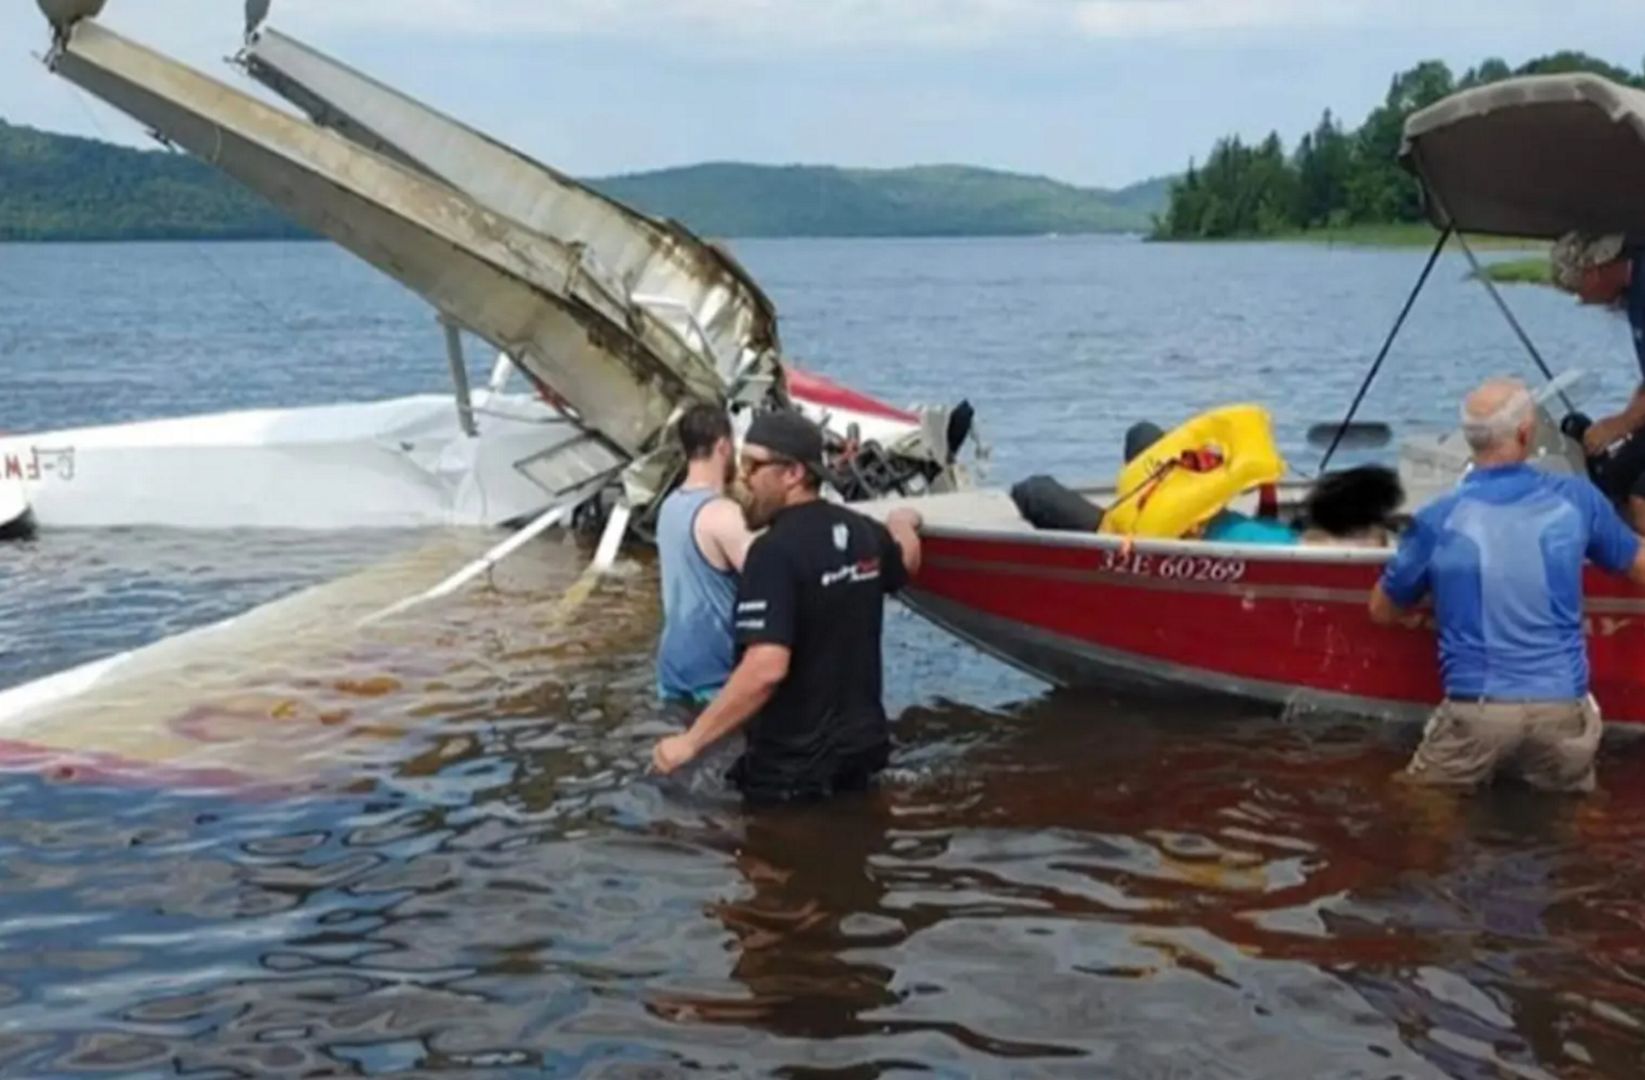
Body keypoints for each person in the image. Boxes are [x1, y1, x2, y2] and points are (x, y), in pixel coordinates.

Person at [1369, 377, 1645, 793]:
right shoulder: (1578, 499)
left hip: (1478, 710)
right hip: (1561, 708)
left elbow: (1383, 611)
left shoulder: (1438, 517)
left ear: (1469, 440)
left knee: (1417, 802)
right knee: (1569, 816)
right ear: (1526, 433)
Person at [650, 410, 924, 804]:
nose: (742, 476)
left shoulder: (772, 553)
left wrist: (690, 743)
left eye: (753, 465)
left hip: (791, 770)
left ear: (793, 473)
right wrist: (903, 520)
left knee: (756, 856)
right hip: (863, 754)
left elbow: (766, 668)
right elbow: (906, 562)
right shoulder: (864, 533)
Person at [655, 404, 756, 711]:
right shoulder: (723, 514)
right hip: (714, 673)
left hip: (672, 666)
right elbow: (769, 576)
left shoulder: (669, 507)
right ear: (724, 446)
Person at [1548, 232, 1645, 529]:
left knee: (1642, 498)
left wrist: (1623, 422)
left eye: (1578, 287)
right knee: (1610, 482)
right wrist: (1632, 415)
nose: (1580, 298)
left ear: (1596, 271)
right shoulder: (1633, 295)